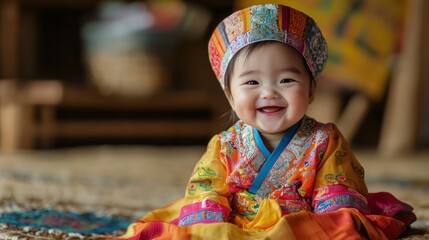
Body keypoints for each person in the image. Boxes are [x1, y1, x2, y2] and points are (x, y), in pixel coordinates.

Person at [115, 4, 416, 239]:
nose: (269, 93)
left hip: (302, 223)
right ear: (230, 96)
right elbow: (206, 188)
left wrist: (333, 222)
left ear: (311, 89)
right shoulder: (225, 145)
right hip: (235, 223)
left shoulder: (325, 140)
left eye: (286, 79)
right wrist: (211, 222)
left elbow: (336, 192)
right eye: (251, 83)